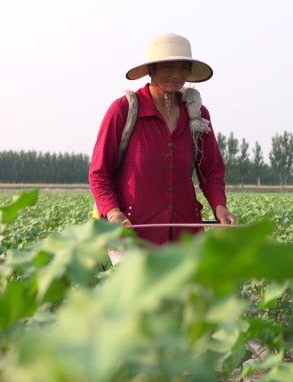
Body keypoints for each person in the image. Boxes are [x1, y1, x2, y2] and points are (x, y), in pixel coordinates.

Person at [89, 32, 236, 245]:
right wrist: (112, 213)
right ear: (151, 69)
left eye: (183, 67)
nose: (177, 73)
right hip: (132, 236)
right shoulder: (124, 110)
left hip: (185, 236)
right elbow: (99, 174)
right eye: (169, 66)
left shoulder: (197, 115)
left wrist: (219, 205)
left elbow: (211, 170)